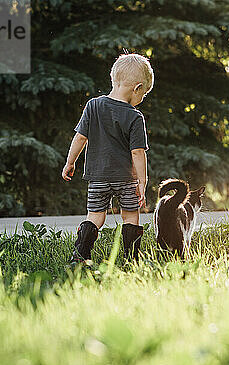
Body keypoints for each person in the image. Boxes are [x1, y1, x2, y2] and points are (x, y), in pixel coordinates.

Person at [61, 53, 153, 265]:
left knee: (95, 216)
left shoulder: (93, 106)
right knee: (130, 216)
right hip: (126, 179)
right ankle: (131, 260)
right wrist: (142, 181)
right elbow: (138, 153)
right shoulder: (135, 116)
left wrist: (70, 162)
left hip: (98, 177)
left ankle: (80, 256)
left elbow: (80, 137)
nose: (141, 100)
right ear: (137, 88)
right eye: (144, 94)